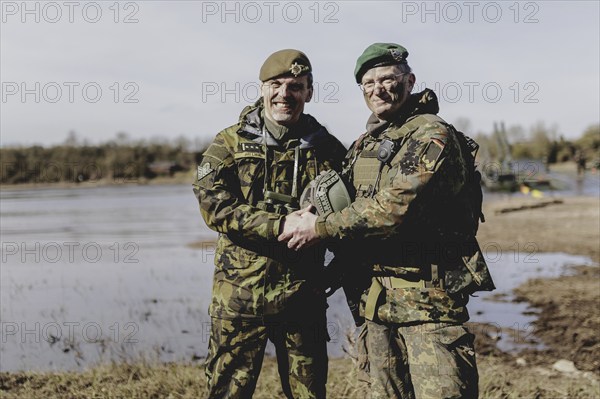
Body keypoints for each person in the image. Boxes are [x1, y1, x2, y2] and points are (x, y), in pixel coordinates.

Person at [279, 43, 495, 398]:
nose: (378, 89)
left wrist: (317, 229)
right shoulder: (364, 143)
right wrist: (326, 273)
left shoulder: (431, 133)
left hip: (428, 306)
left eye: (387, 79)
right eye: (368, 83)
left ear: (409, 80)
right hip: (375, 305)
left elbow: (395, 208)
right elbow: (347, 210)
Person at [193, 49, 346, 398]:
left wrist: (335, 265)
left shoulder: (329, 150)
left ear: (309, 92)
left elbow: (347, 216)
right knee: (228, 391)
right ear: (262, 89)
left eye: (295, 86)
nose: (284, 94)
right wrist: (277, 225)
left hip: (302, 298)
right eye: (276, 84)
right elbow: (212, 204)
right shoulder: (229, 142)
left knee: (309, 392)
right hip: (239, 299)